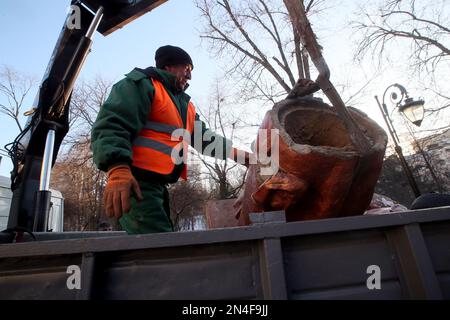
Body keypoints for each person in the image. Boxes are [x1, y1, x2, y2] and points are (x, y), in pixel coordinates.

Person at [91, 45, 252, 234]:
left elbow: (204, 139)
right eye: (187, 68)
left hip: (157, 186)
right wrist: (117, 169)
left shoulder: (185, 106)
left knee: (162, 241)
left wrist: (239, 155)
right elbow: (112, 125)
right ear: (169, 66)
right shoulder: (142, 85)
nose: (190, 76)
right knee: (158, 247)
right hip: (136, 183)